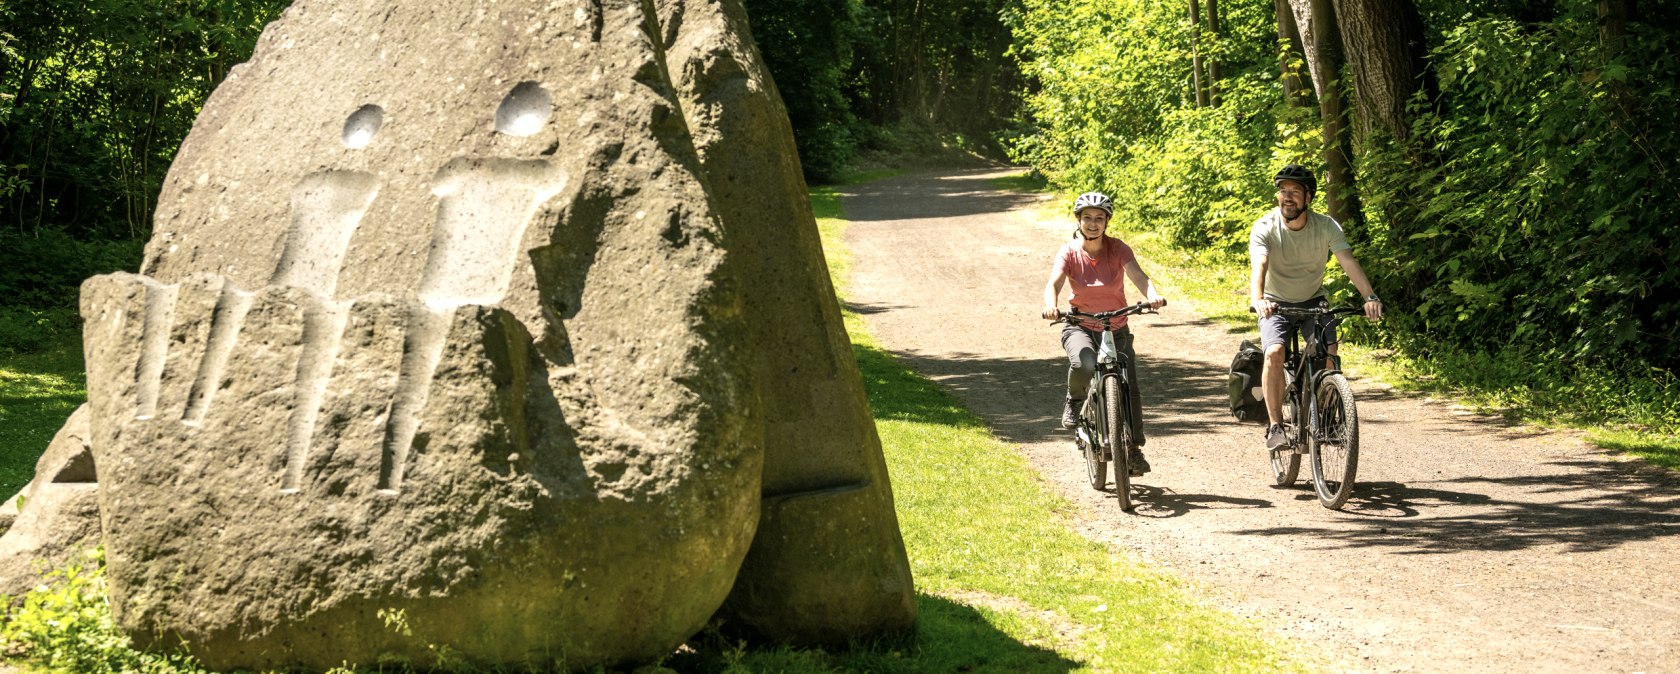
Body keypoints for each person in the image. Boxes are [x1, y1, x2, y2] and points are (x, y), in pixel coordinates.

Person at [1249, 164, 1383, 449]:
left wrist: (1369, 296)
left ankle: (1328, 416)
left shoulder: (1326, 227)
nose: (1287, 197)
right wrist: (1258, 298)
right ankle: (1275, 427)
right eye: (1283, 191)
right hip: (1275, 303)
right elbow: (1259, 265)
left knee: (1330, 353)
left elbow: (1347, 261)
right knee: (1273, 352)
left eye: (1295, 192)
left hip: (1313, 299)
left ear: (1308, 198)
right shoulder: (1265, 227)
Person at [1041, 191, 1166, 475]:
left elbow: (1139, 276)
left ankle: (1133, 449)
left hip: (1116, 325)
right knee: (1083, 362)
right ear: (1079, 221)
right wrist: (1051, 306)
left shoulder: (1118, 249)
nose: (1093, 224)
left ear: (1107, 221)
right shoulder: (1069, 251)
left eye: (1099, 218)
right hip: (1080, 324)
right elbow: (1054, 283)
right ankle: (1074, 401)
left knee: (1128, 386)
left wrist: (1153, 296)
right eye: (1087, 218)